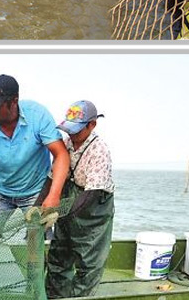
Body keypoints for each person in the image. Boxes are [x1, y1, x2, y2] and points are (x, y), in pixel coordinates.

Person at [0, 74, 69, 235]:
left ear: (14, 101)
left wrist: (53, 195)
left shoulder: (37, 115)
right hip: (1, 191)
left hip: (35, 190)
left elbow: (62, 155)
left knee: (36, 242)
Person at [46, 101, 114, 298]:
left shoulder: (99, 150)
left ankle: (80, 297)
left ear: (92, 125)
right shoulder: (66, 144)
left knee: (89, 258)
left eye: (76, 130)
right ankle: (55, 296)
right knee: (59, 253)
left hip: (94, 204)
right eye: (69, 130)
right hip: (70, 197)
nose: (71, 135)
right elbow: (52, 178)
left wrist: (60, 212)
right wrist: (40, 206)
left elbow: (91, 195)